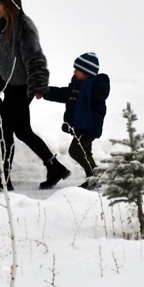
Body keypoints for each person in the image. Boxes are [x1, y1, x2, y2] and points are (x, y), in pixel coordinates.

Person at [0, 0, 71, 192]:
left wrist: (38, 85)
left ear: (11, 3)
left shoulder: (24, 26)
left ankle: (3, 178)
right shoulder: (2, 26)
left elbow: (35, 58)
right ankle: (54, 166)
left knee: (5, 129)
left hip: (23, 88)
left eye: (0, 2)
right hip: (11, 87)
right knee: (22, 131)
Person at [40, 52, 110, 189]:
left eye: (77, 69)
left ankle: (94, 174)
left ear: (87, 72)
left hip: (89, 127)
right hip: (81, 126)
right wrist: (45, 92)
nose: (74, 71)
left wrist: (93, 125)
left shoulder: (95, 89)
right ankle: (93, 177)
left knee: (75, 151)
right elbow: (63, 94)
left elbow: (99, 110)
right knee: (85, 153)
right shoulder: (77, 85)